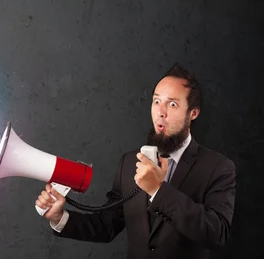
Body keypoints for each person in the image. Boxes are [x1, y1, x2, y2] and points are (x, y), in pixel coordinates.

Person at [36, 63, 236, 258]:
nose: (161, 112)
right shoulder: (130, 162)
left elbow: (216, 233)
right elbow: (107, 226)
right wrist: (59, 217)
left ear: (193, 113)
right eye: (156, 101)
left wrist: (158, 190)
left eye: (172, 104)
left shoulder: (218, 168)